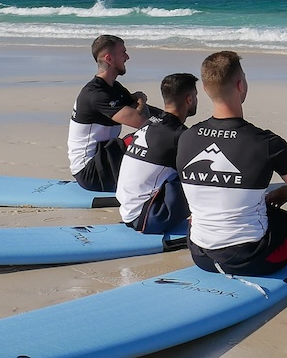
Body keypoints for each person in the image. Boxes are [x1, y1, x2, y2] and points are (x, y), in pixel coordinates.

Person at [175, 50, 287, 284]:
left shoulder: (187, 136)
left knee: (257, 208)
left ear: (206, 90)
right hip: (252, 259)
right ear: (241, 85)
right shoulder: (265, 142)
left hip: (200, 253)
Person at [116, 73, 198, 235]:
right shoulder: (178, 135)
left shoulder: (150, 124)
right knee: (205, 175)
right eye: (195, 96)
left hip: (128, 209)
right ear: (189, 100)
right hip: (148, 218)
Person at [67, 34, 151, 193]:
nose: (127, 57)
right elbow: (141, 121)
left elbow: (147, 117)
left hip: (104, 159)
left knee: (156, 135)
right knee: (148, 139)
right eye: (123, 53)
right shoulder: (96, 94)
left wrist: (173, 124)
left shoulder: (114, 88)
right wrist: (141, 100)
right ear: (109, 59)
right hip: (89, 172)